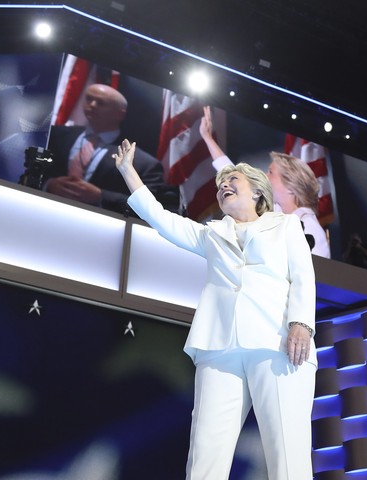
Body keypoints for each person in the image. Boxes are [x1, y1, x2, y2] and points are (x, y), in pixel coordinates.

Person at [114, 139, 317, 479]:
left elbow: (303, 277)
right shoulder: (210, 234)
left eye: (232, 181)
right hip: (218, 346)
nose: (223, 186)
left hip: (279, 342)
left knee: (287, 449)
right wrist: (128, 171)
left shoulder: (286, 226)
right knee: (206, 450)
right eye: (220, 184)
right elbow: (161, 219)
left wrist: (301, 323)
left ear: (257, 193)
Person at [199, 106, 331, 259]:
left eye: (271, 172)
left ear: (291, 187)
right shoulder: (274, 213)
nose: (264, 176)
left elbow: (316, 279)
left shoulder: (311, 230)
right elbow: (232, 174)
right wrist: (207, 137)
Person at [45, 83, 168, 215]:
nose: (92, 105)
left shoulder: (143, 163)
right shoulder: (55, 135)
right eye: (89, 99)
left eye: (101, 103)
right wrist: (47, 184)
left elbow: (149, 209)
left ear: (120, 114)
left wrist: (100, 196)